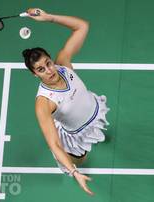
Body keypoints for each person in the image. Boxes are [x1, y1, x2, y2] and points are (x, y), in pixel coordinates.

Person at [22, 8, 109, 196]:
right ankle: (63, 163)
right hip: (75, 134)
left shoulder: (64, 64)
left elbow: (82, 27)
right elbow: (53, 143)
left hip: (93, 112)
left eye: (48, 63)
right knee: (80, 160)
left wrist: (49, 17)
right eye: (41, 69)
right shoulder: (44, 103)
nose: (49, 70)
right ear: (34, 74)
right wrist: (74, 172)